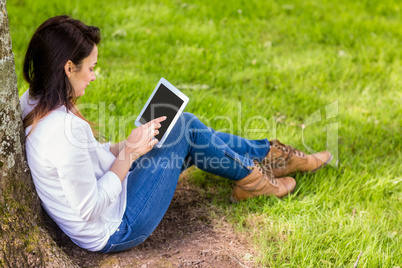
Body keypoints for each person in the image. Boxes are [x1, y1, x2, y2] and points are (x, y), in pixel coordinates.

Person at [20, 15, 332, 253]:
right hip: (116, 228)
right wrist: (130, 154)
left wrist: (124, 146)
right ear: (67, 69)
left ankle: (265, 164)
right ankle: (262, 169)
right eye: (90, 68)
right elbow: (89, 208)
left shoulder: (33, 100)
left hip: (111, 203)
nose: (94, 76)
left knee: (183, 126)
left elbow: (84, 162)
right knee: (184, 127)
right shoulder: (62, 130)